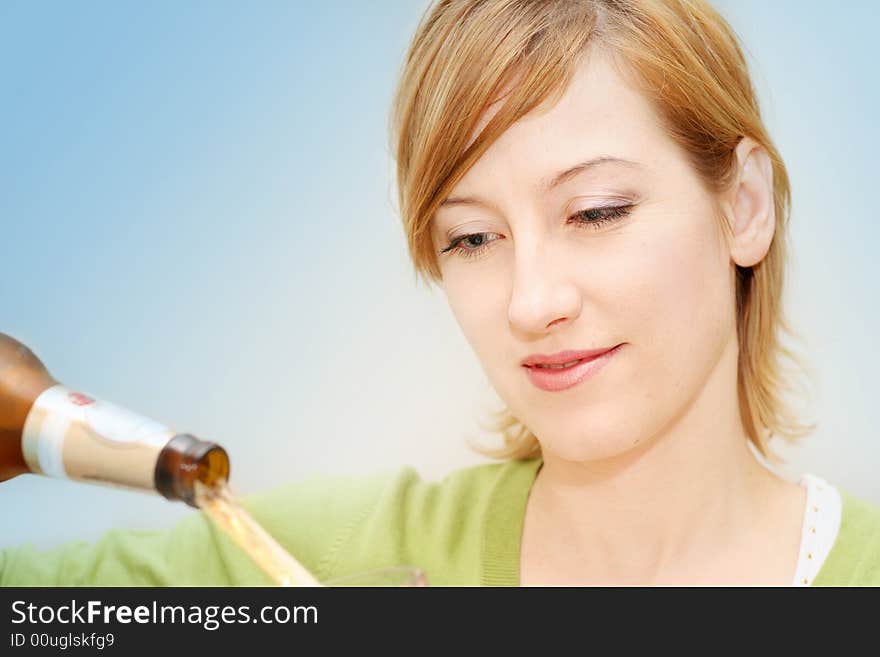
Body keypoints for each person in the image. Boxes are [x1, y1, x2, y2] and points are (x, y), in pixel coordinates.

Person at [2, 0, 879, 587]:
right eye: (471, 237)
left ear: (745, 207)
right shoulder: (320, 566)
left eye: (596, 211)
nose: (531, 302)